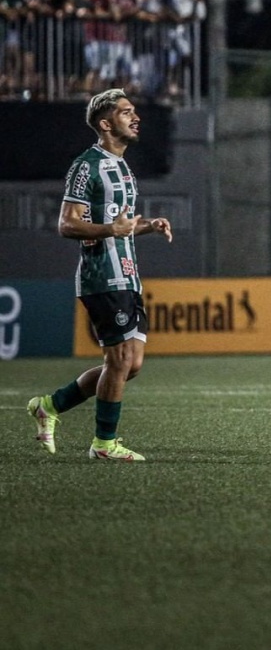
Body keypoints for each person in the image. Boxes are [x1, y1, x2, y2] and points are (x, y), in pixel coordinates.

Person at [27, 88, 173, 461]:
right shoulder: (86, 165)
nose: (135, 117)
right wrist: (112, 231)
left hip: (127, 273)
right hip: (101, 275)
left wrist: (147, 226)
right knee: (121, 359)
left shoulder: (123, 165)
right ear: (106, 124)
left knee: (130, 364)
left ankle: (50, 405)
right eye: (126, 113)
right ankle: (103, 444)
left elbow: (118, 223)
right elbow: (66, 224)